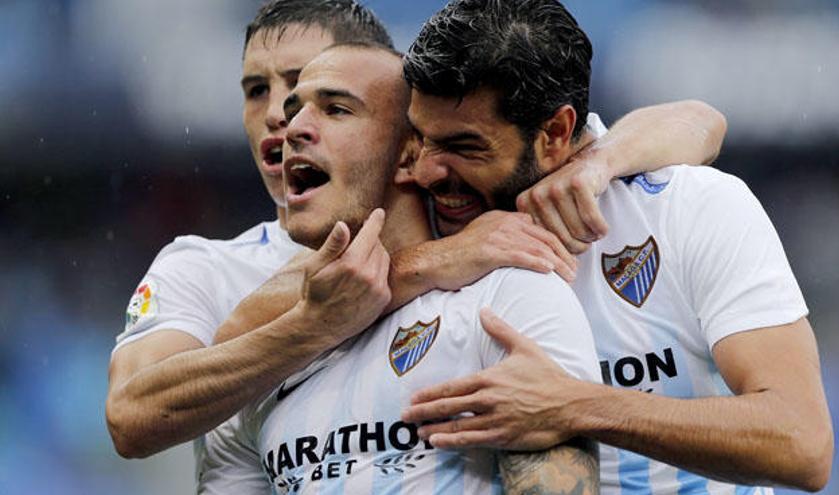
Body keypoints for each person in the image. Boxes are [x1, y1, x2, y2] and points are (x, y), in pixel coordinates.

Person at [106, 0, 726, 462]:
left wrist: (598, 164)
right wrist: (423, 264)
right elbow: (132, 418)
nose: (279, 114)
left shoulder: (475, 228)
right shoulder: (203, 265)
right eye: (257, 90)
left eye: (317, 94)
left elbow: (698, 119)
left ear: (406, 138)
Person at [397, 0, 833, 493]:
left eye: (464, 146)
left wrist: (579, 405)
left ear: (556, 133)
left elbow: (802, 442)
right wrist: (431, 262)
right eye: (420, 138)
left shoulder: (686, 209)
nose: (429, 169)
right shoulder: (415, 212)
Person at [200, 41, 602, 494]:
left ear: (411, 155)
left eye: (335, 110)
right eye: (295, 112)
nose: (291, 128)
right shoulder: (268, 359)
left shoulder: (507, 296)